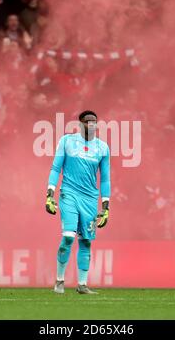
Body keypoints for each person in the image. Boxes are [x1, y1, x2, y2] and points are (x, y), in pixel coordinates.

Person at [46, 110, 111, 294]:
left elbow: (105, 179)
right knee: (68, 237)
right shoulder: (67, 141)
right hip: (69, 194)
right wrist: (49, 194)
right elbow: (55, 167)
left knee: (86, 242)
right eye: (88, 122)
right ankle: (59, 281)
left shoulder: (103, 148)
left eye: (94, 122)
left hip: (90, 199)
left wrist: (106, 206)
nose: (92, 125)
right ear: (80, 124)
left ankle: (82, 285)